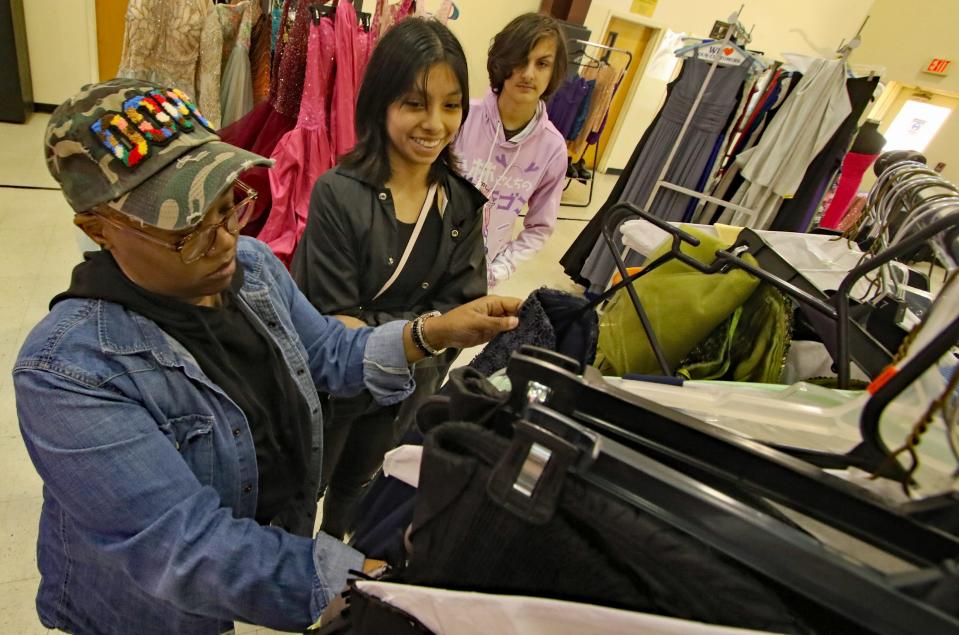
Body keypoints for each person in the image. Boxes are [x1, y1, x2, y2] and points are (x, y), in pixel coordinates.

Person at [14, 77, 520, 635]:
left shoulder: (252, 269)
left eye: (230, 203)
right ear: (99, 229)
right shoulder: (71, 373)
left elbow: (327, 350)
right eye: (187, 228)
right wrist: (364, 581)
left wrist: (434, 332)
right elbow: (184, 544)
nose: (226, 237)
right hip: (142, 613)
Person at [291, 17, 486, 540]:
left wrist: (430, 334)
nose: (435, 123)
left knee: (361, 487)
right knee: (303, 486)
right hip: (329, 389)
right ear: (381, 102)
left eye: (450, 105)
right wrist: (431, 331)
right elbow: (331, 319)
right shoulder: (338, 193)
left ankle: (334, 579)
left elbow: (465, 305)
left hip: (405, 390)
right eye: (415, 103)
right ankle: (287, 579)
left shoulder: (462, 204)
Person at [455, 12, 569, 288]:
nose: (528, 74)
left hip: (477, 275)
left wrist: (497, 271)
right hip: (420, 257)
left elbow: (540, 227)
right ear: (502, 62)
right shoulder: (462, 115)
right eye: (521, 60)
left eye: (542, 64)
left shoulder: (553, 148)